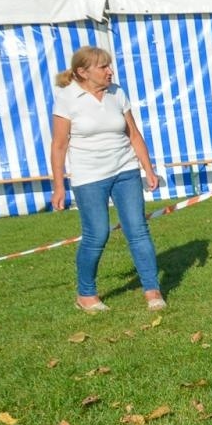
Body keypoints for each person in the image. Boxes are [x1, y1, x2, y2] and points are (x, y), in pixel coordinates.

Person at [48, 47, 166, 312]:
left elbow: (133, 134)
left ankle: (152, 291)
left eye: (109, 66)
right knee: (97, 234)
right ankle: (86, 294)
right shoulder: (67, 98)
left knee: (137, 230)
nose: (110, 71)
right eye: (103, 67)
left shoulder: (117, 93)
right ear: (82, 72)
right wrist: (58, 187)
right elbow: (58, 145)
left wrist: (148, 169)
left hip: (125, 171)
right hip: (88, 177)